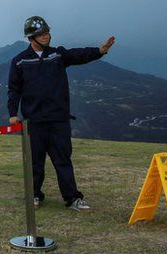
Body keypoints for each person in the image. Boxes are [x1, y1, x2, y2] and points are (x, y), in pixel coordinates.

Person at [7, 16, 115, 211]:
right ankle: (34, 195)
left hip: (59, 120)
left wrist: (99, 52)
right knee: (35, 163)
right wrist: (12, 113)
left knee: (63, 160)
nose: (47, 36)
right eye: (42, 33)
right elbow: (14, 89)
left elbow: (77, 55)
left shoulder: (57, 55)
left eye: (47, 32)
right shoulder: (20, 61)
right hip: (34, 121)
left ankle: (72, 198)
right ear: (31, 37)